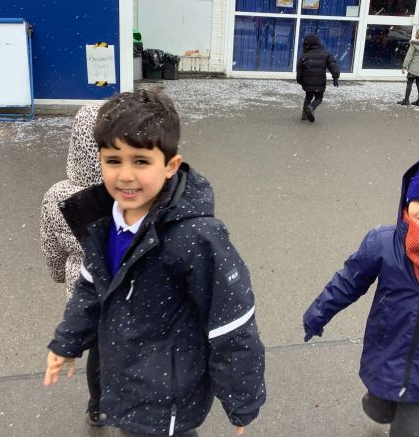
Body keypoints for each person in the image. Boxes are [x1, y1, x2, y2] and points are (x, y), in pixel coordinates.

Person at [44, 88, 266, 436]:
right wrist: (67, 342)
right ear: (99, 160)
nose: (125, 175)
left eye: (141, 161)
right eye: (113, 161)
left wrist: (241, 397)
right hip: (125, 380)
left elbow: (231, 319)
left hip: (167, 396)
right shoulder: (104, 224)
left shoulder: (196, 236)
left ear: (170, 166)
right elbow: (89, 290)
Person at [303, 149, 419, 437]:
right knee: (378, 410)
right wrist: (320, 311)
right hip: (385, 352)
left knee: (410, 430)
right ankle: (380, 404)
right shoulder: (382, 243)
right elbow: (349, 281)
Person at [40, 103, 104, 425]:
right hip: (128, 296)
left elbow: (52, 247)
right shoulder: (128, 191)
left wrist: (57, 274)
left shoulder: (57, 196)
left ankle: (97, 406)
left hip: (81, 290)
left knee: (98, 352)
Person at [296, 33, 340, 123]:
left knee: (308, 96)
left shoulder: (304, 56)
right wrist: (335, 77)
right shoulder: (326, 54)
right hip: (320, 82)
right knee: (319, 98)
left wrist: (300, 80)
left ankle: (304, 115)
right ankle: (311, 107)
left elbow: (300, 69)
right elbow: (333, 65)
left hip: (308, 82)